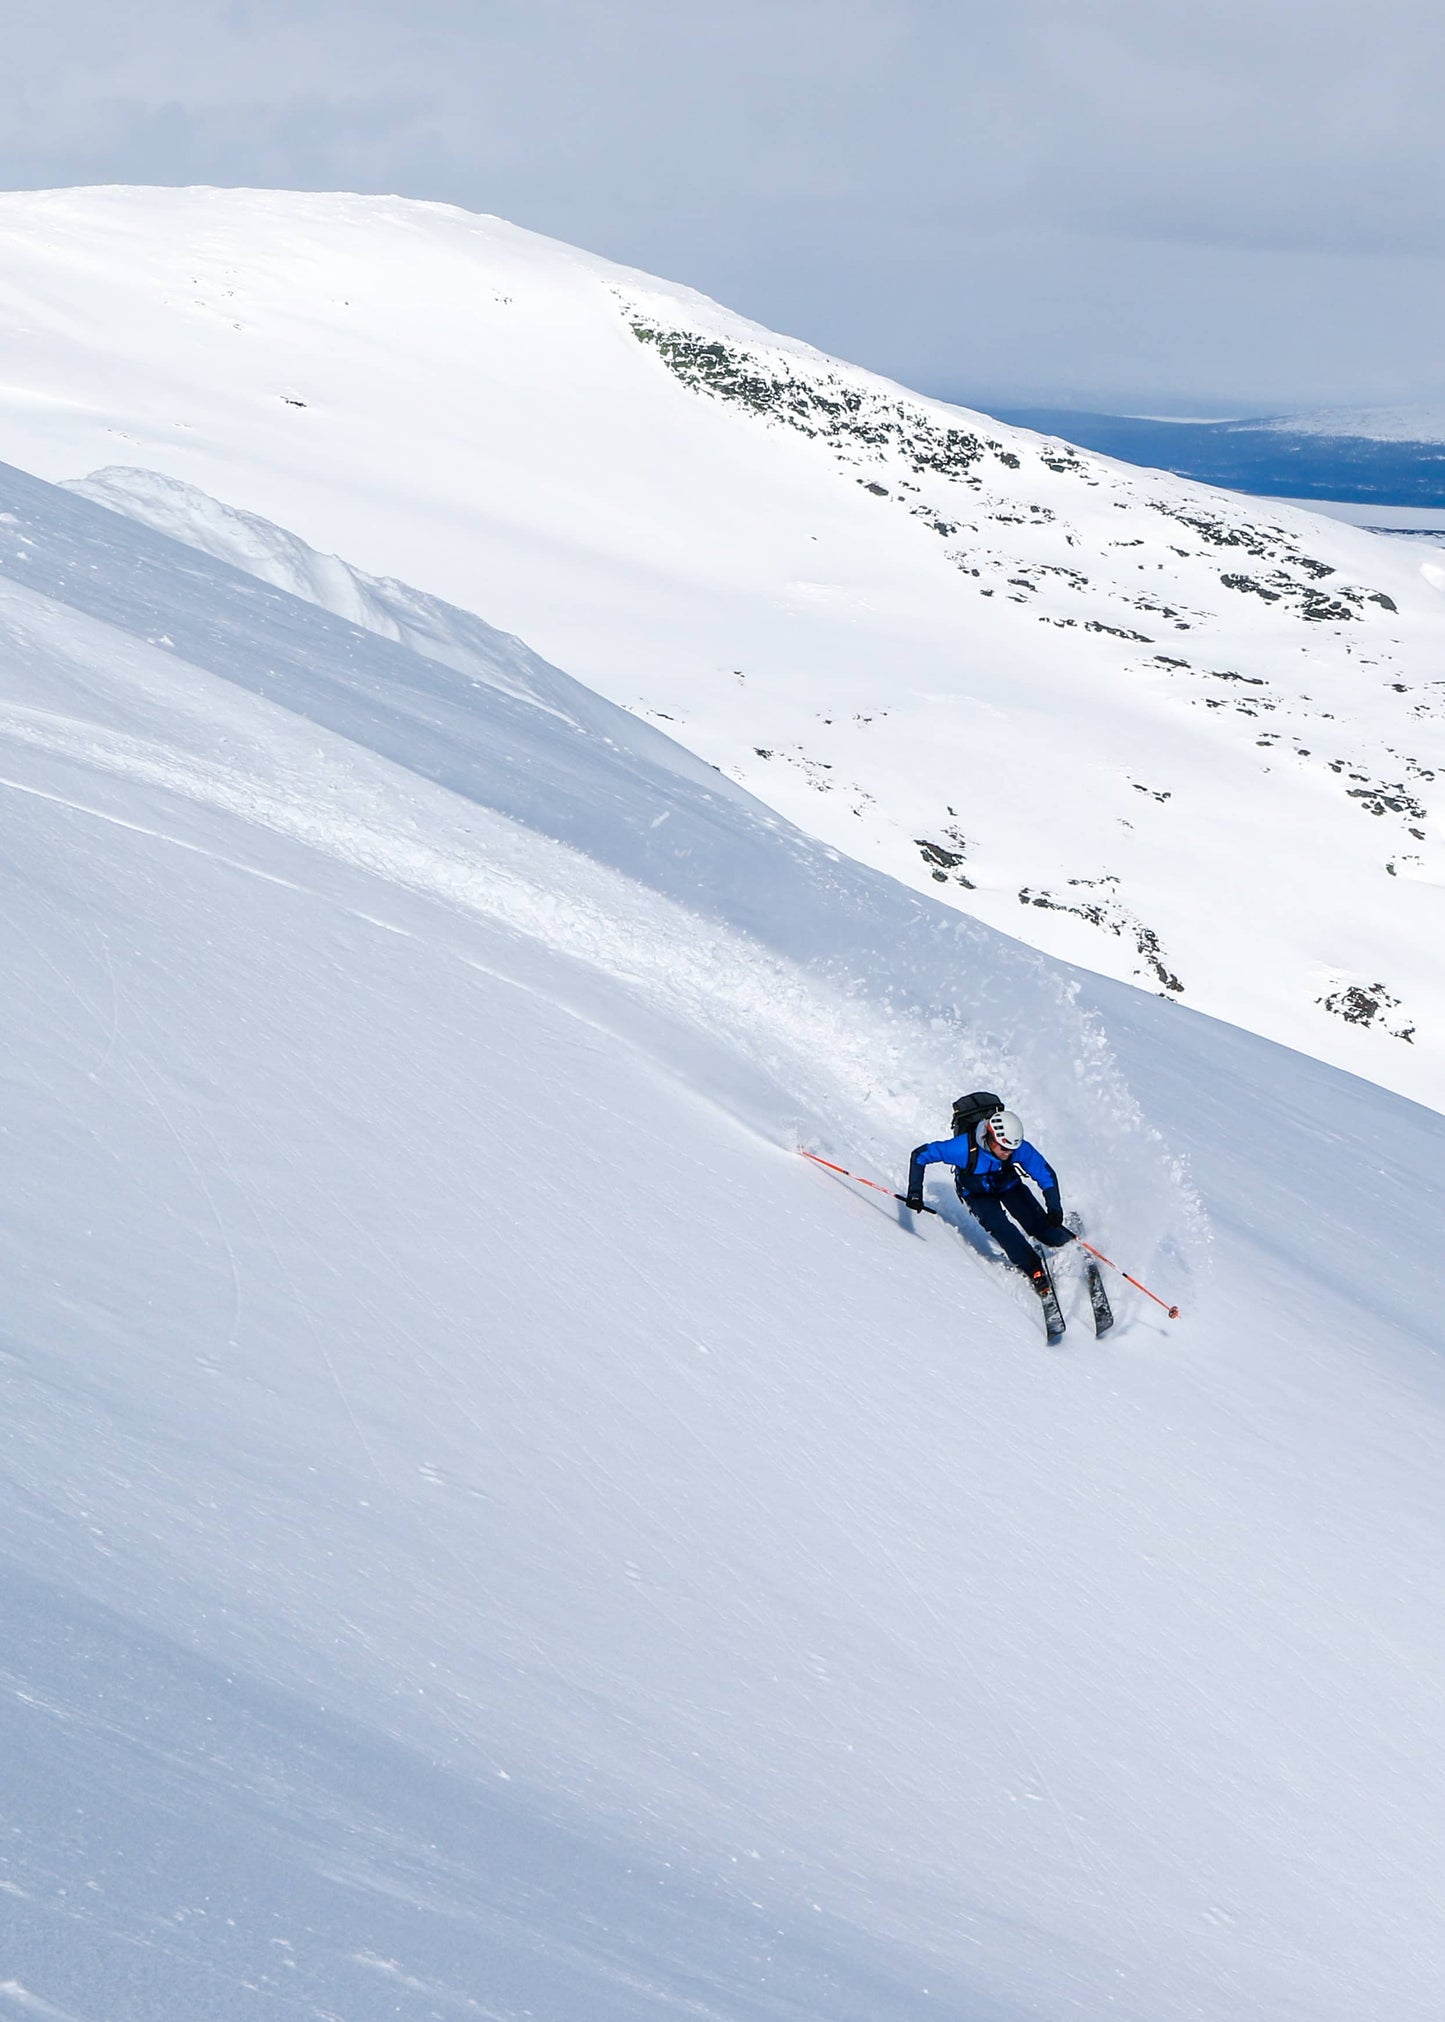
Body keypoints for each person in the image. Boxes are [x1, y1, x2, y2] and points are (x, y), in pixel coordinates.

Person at [905, 1102, 1074, 1301]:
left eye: (1013, 1149)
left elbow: (1044, 1173)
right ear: (991, 1136)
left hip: (1008, 1184)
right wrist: (915, 1193)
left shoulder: (1016, 1148)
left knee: (1037, 1222)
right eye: (1005, 1148)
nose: (1009, 1153)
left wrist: (1054, 1207)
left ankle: (1066, 1242)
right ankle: (1033, 1268)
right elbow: (920, 1155)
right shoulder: (961, 1148)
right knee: (1002, 1228)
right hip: (976, 1194)